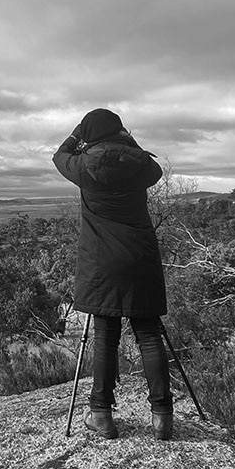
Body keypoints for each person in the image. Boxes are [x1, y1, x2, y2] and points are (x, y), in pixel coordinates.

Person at [52, 108, 173, 440]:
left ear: (89, 133)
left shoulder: (83, 166)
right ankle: (162, 416)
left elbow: (58, 155)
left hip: (103, 264)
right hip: (141, 260)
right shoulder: (142, 166)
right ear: (120, 132)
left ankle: (101, 415)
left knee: (106, 338)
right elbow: (154, 168)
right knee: (149, 336)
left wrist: (79, 133)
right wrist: (125, 137)